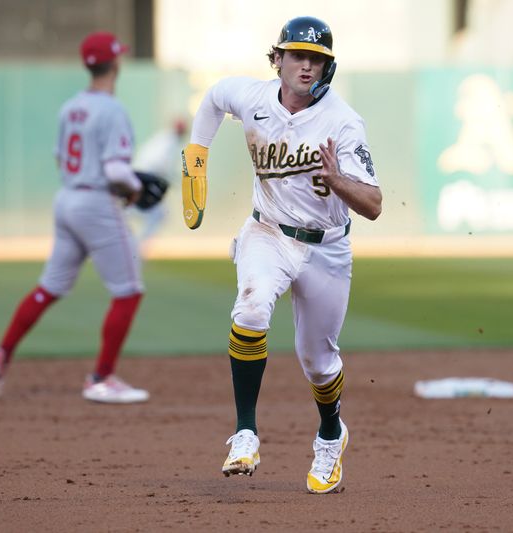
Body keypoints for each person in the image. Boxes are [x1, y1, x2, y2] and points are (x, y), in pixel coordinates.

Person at [181, 16, 382, 493]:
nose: (307, 66)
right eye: (297, 56)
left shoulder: (343, 122)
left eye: (317, 59)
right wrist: (196, 156)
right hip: (267, 231)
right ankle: (245, 432)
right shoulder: (252, 98)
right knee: (250, 306)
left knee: (319, 362)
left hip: (325, 247)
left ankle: (331, 434)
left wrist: (338, 180)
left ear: (327, 67)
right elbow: (212, 100)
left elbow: (373, 204)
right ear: (278, 59)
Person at [0, 31, 149, 404]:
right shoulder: (112, 109)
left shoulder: (70, 107)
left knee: (49, 287)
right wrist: (134, 190)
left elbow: (60, 158)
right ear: (115, 63)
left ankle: (0, 354)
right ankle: (101, 377)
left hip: (67, 198)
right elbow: (117, 171)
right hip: (96, 204)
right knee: (129, 291)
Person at [131, 117, 189, 250]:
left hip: (143, 176)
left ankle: (136, 246)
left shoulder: (165, 138)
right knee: (157, 214)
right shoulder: (169, 141)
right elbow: (159, 165)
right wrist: (176, 180)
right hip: (146, 178)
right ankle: (137, 248)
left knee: (156, 213)